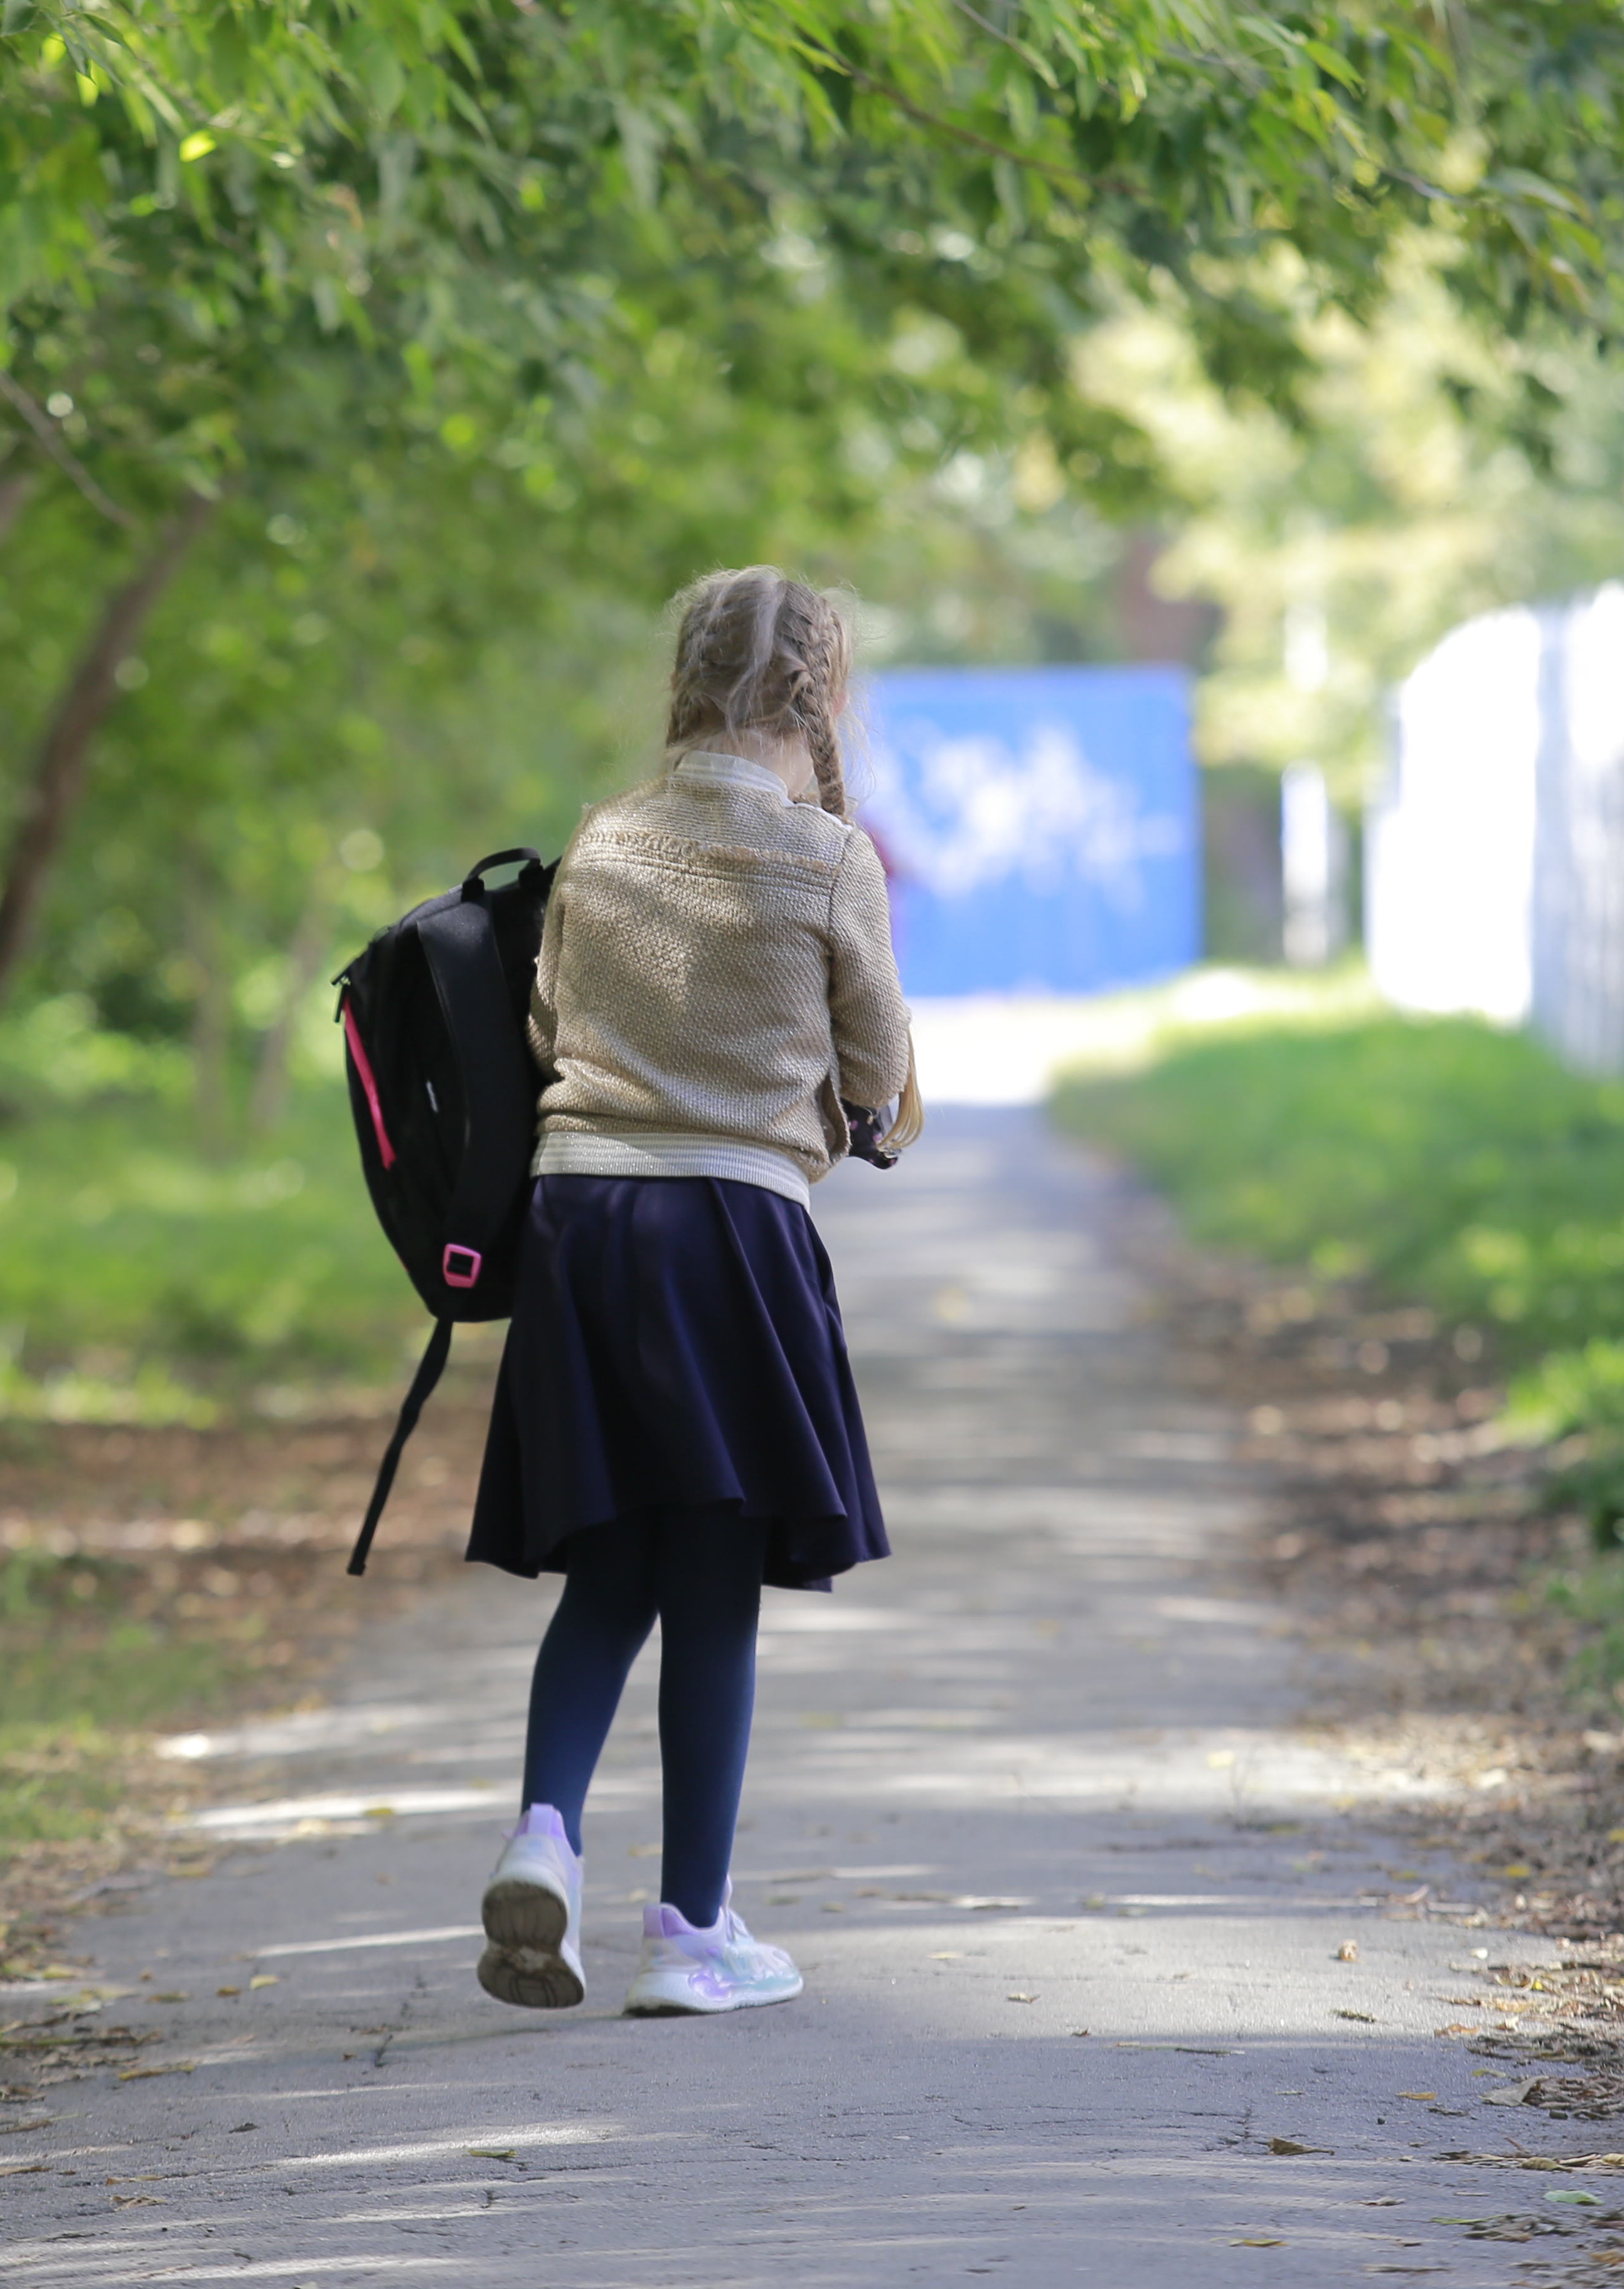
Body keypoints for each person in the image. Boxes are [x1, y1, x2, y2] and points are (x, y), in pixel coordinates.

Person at [466, 565, 922, 2018]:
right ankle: (692, 1931)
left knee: (613, 1563)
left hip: (582, 1226)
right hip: (735, 1231)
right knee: (713, 1584)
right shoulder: (827, 857)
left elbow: (544, 1027)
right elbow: (883, 1080)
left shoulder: (603, 844)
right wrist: (872, 1120)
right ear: (818, 696)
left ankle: (546, 1834)